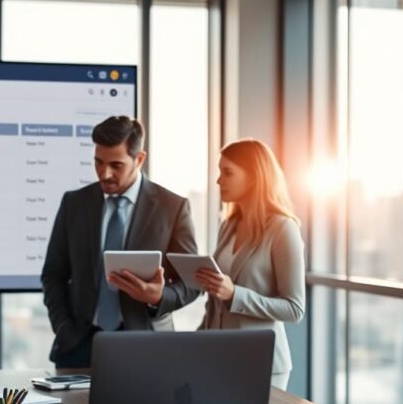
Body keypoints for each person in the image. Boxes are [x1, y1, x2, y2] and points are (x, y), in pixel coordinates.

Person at [42, 116, 200, 368]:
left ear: (139, 159)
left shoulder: (172, 208)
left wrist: (159, 296)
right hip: (78, 346)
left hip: (147, 347)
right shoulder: (74, 203)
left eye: (116, 165)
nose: (104, 173)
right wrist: (62, 326)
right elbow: (53, 274)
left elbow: (193, 283)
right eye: (98, 162)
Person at [194, 138, 306, 390]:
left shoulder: (283, 229)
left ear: (254, 177)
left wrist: (235, 294)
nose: (218, 181)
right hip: (217, 360)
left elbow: (294, 309)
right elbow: (216, 304)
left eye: (228, 172)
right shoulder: (228, 226)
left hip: (260, 365)